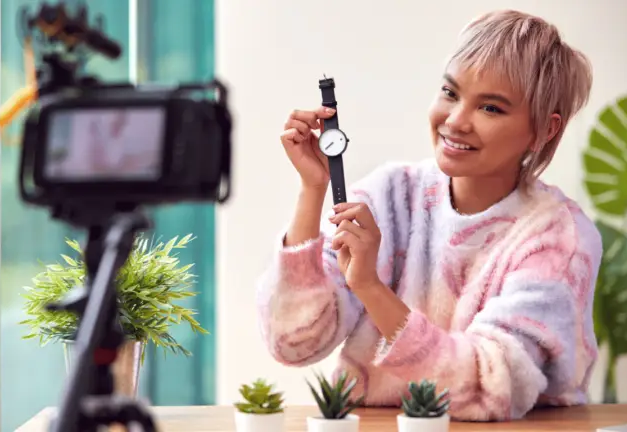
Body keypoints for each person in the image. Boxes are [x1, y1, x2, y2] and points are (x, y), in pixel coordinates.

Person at [256, 9, 600, 422]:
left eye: (490, 108)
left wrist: (370, 287)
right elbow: (293, 342)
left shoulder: (559, 237)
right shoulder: (390, 196)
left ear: (544, 129)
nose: (455, 121)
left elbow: (488, 390)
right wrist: (313, 191)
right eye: (451, 93)